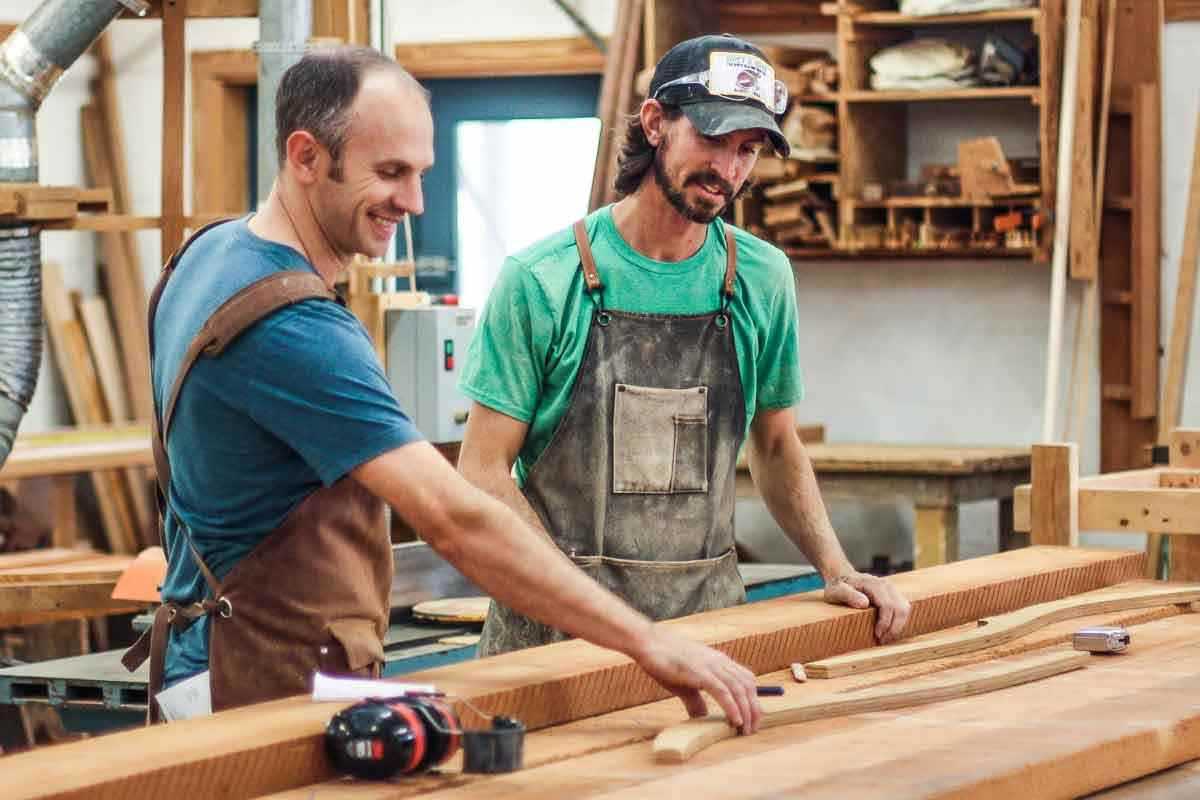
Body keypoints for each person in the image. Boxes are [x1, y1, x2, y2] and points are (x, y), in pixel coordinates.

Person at [123, 45, 762, 733]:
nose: (414, 202)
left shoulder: (206, 254)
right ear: (306, 157)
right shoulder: (296, 327)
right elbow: (456, 517)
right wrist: (649, 640)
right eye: (391, 172)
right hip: (258, 688)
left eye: (422, 173)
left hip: (204, 665)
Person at [458, 34, 911, 657]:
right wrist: (573, 603)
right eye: (712, 139)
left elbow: (777, 446)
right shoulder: (542, 280)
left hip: (705, 637)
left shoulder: (760, 277)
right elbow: (481, 471)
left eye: (748, 150)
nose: (728, 171)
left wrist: (838, 568)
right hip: (554, 641)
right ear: (654, 124)